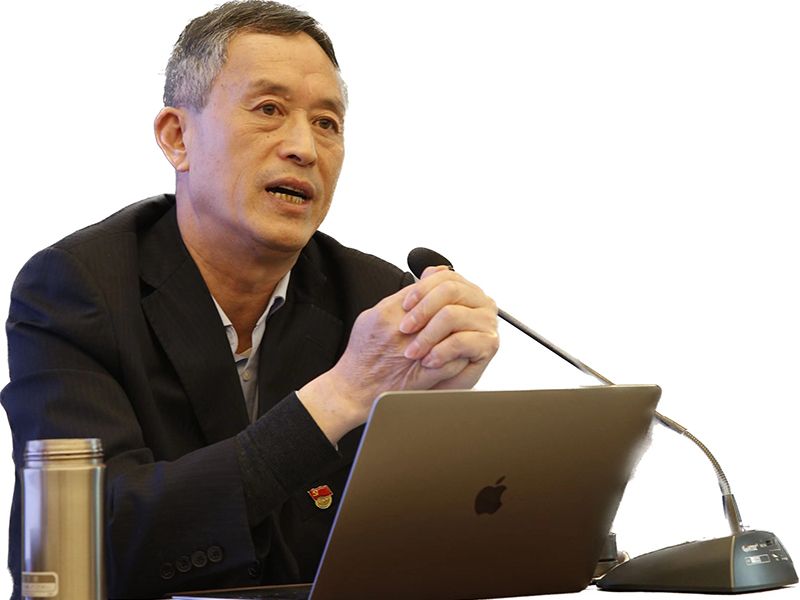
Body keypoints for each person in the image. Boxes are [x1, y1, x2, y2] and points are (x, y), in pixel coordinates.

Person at [1, 1, 499, 597]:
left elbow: (404, 552)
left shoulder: (374, 297)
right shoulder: (77, 288)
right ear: (178, 137)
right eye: (269, 110)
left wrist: (444, 423)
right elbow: (73, 548)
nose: (305, 148)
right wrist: (343, 395)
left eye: (327, 123)